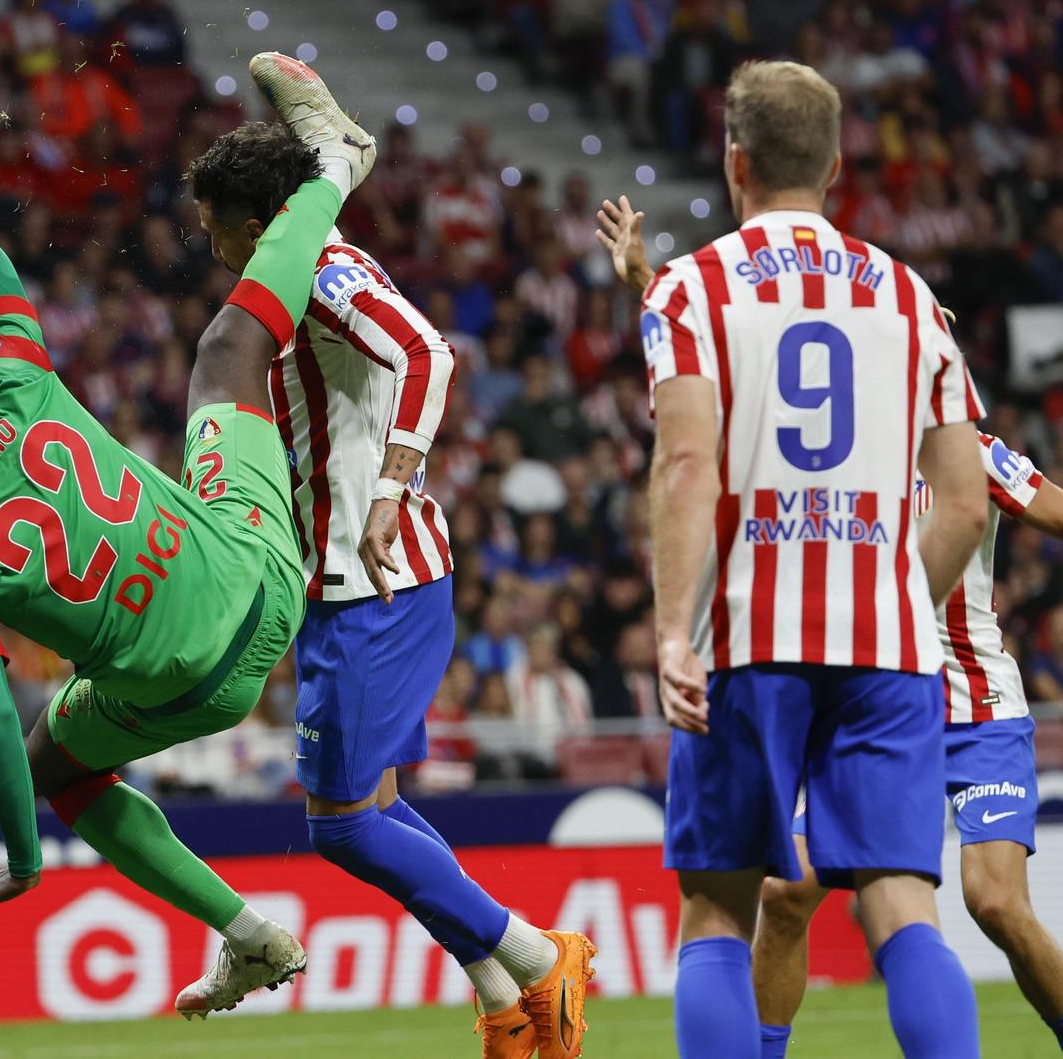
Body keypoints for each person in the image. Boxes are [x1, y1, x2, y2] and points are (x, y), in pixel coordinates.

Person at [0, 53, 371, 1017]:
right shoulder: (15, 381)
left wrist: (23, 858)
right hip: (263, 568)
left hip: (198, 690)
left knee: (58, 764)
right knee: (225, 359)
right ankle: (334, 168)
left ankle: (245, 933)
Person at [604, 196, 1063, 1055]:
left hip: (969, 696)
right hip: (875, 686)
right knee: (788, 895)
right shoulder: (846, 446)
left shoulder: (982, 454)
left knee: (994, 901)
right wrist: (645, 281)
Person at [188, 117, 595, 1055]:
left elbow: (427, 352)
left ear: (255, 225)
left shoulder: (325, 273)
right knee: (376, 809)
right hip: (346, 584)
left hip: (376, 579)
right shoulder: (289, 280)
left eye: (215, 226)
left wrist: (388, 488)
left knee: (338, 828)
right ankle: (500, 997)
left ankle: (537, 956)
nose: (209, 247)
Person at [639, 60, 987, 1058]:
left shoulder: (689, 285)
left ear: (731, 158)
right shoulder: (910, 295)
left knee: (716, 905)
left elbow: (685, 461)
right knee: (899, 905)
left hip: (746, 635)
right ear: (833, 165)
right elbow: (962, 502)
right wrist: (890, 598)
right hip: (885, 646)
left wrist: (671, 629)